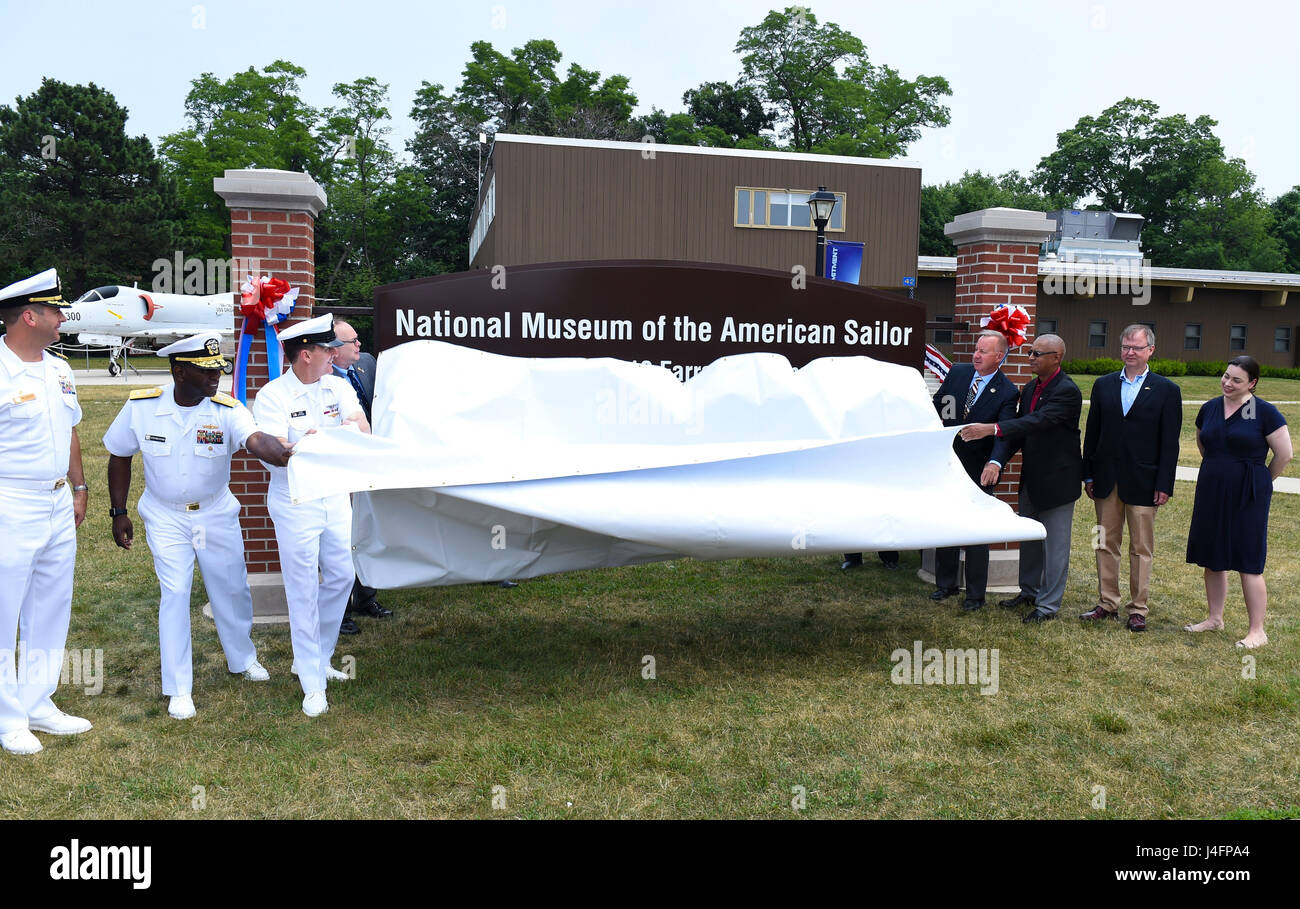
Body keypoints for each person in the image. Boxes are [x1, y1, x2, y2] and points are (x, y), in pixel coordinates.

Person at [104, 332, 293, 719]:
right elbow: (119, 455)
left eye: (219, 368)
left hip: (214, 513)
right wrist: (118, 511)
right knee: (174, 594)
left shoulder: (227, 409)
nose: (216, 377)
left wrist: (285, 452)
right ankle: (179, 688)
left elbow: (255, 440)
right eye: (206, 370)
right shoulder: (143, 406)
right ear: (179, 371)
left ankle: (241, 659)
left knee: (231, 589)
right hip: (165, 514)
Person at [252, 313, 369, 717]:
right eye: (327, 350)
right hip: (296, 500)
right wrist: (320, 443)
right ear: (307, 355)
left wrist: (318, 442)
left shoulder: (336, 386)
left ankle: (317, 656)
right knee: (302, 587)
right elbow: (278, 451)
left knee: (342, 575)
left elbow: (362, 427)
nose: (334, 356)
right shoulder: (273, 395)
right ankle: (312, 684)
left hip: (333, 494)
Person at [0, 269, 92, 755]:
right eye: (54, 310)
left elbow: (71, 429)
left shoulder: (59, 368)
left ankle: (38, 701)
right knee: (4, 610)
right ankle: (7, 717)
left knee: (50, 604)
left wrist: (78, 486)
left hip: (57, 500)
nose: (62, 317)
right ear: (29, 316)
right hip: (9, 501)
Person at [961, 334, 1083, 623]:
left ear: (1057, 358)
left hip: (1058, 482)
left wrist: (992, 429)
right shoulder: (1030, 389)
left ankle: (1048, 606)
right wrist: (997, 460)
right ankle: (1029, 591)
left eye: (1038, 354)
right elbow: (1021, 433)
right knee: (1029, 539)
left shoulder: (1067, 391)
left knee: (1054, 546)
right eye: (1030, 352)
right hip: (1031, 479)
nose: (1031, 358)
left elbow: (1037, 422)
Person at [1184, 356, 1292, 648]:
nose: (1228, 383)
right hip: (1212, 489)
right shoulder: (1209, 408)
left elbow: (1284, 454)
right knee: (1212, 554)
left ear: (1252, 384)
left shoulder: (1264, 412)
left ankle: (1258, 630)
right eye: (1226, 376)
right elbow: (1204, 443)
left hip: (1249, 493)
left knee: (1248, 559)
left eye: (1236, 380)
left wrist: (1261, 480)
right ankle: (1214, 618)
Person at [1079, 325, 1182, 632]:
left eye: (1136, 347)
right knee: (1104, 542)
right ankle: (1107, 602)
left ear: (1151, 350)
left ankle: (1138, 608)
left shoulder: (1166, 390)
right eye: (1125, 347)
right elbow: (1092, 432)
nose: (1129, 353)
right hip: (1105, 479)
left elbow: (1170, 443)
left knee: (1141, 547)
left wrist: (1164, 484)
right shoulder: (1104, 385)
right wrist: (1087, 474)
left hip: (1145, 482)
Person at [927, 329, 1018, 611]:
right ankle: (946, 584)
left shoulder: (1007, 391)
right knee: (948, 525)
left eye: (983, 351)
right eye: (976, 349)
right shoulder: (958, 373)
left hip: (980, 470)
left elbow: (1005, 435)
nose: (976, 355)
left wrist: (995, 462)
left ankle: (975, 596)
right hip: (949, 466)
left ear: (999, 357)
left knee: (977, 531)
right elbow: (937, 407)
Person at [330, 319, 389, 630]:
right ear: (334, 351)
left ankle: (366, 597)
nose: (359, 345)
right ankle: (341, 612)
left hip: (367, 469)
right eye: (352, 341)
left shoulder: (366, 365)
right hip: (339, 474)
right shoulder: (325, 381)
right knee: (341, 541)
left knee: (364, 532)